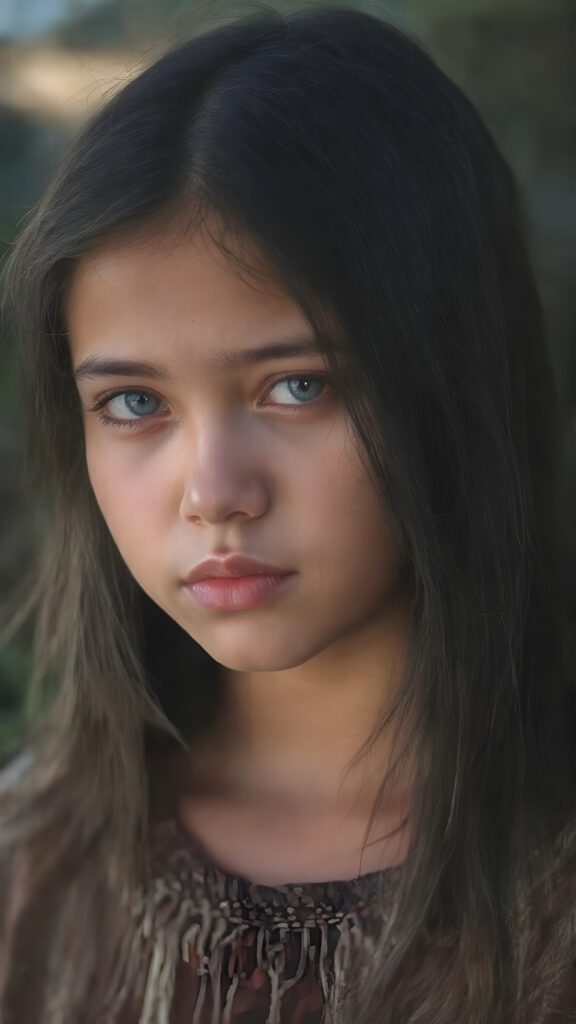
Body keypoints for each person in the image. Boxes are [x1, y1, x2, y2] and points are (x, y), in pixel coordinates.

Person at [0, 6, 574, 1022]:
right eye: (134, 403)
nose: (213, 490)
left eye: (297, 386)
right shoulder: (28, 874)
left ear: (449, 378)